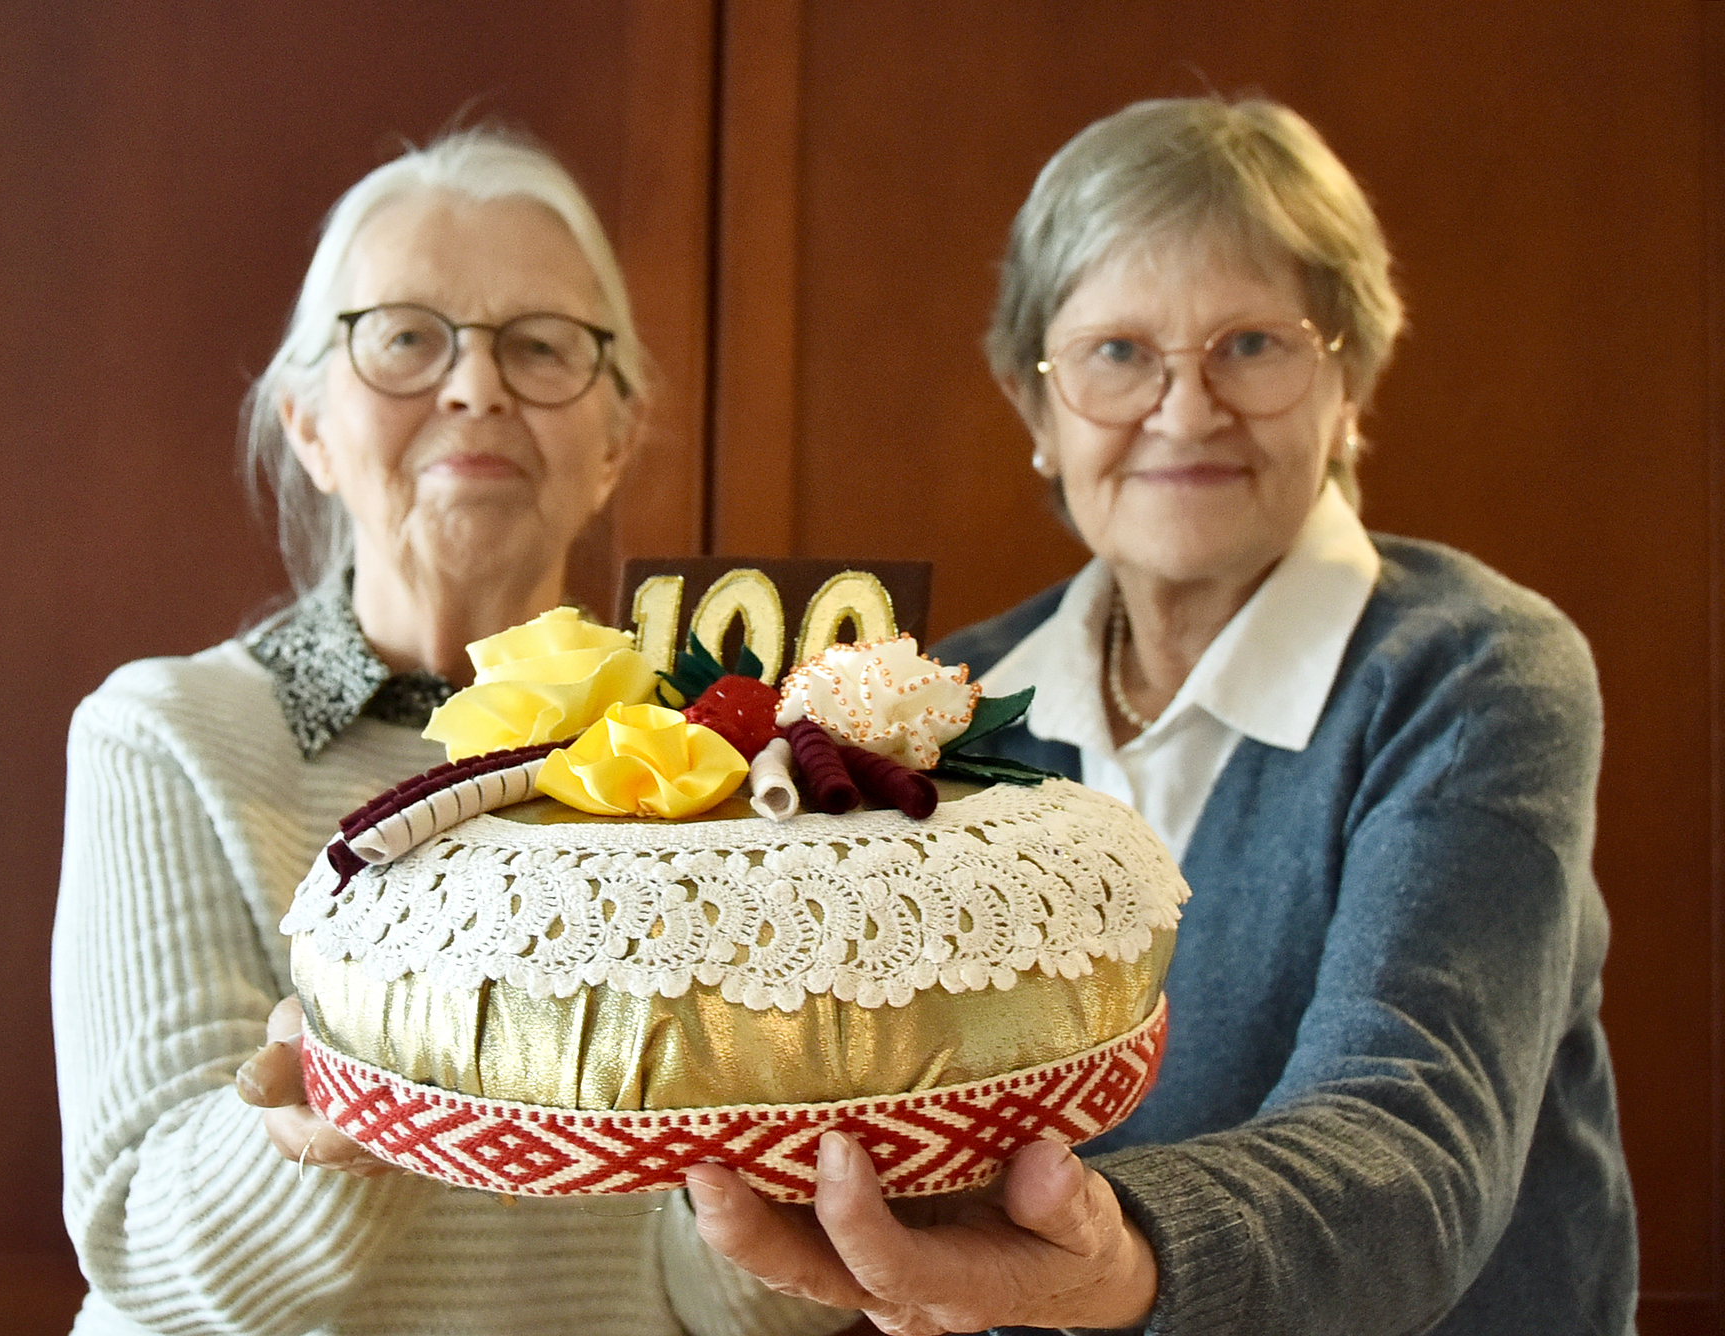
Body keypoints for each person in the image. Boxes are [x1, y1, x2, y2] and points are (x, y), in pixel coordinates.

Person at [683, 97, 1638, 1335]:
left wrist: (1108, 1258)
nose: (1183, 412)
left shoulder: (1473, 672)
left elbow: (1411, 1139)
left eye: (1250, 345)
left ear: (1347, 378)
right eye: (1119, 354)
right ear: (1039, 410)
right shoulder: (948, 709)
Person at [52, 129, 855, 1336]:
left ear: (613, 444)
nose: (475, 387)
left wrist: (828, 1127)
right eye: (406, 338)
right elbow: (149, 1255)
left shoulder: (703, 770)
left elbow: (711, 1301)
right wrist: (358, 1096)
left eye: (539, 347)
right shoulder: (164, 733)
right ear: (310, 425)